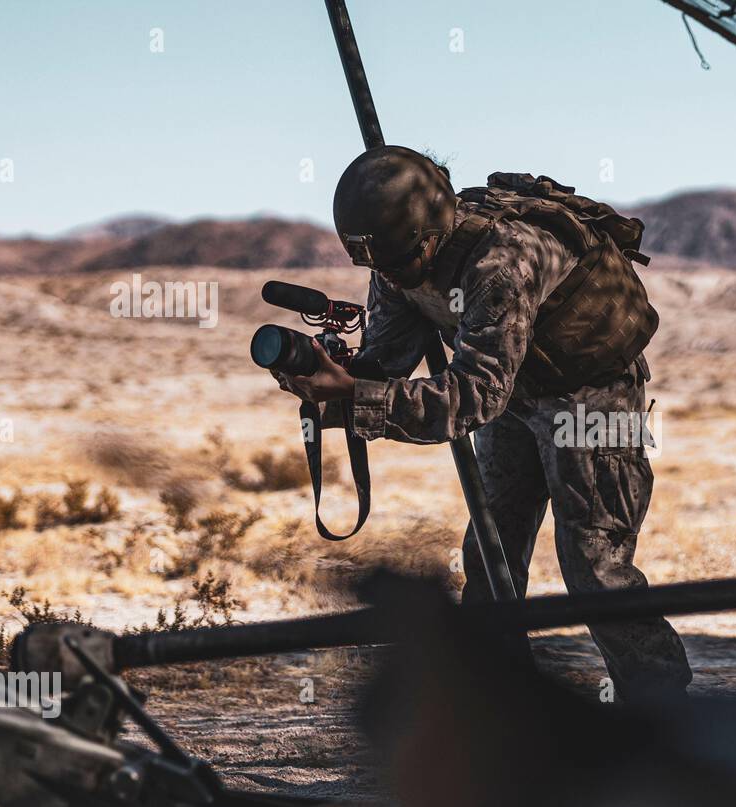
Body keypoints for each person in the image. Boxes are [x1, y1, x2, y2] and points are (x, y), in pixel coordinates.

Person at [277, 145, 691, 703]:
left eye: (396, 261)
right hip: (516, 397)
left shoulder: (504, 260)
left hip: (591, 400)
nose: (388, 276)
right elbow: (390, 359)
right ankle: (494, 704)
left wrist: (358, 395)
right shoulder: (396, 261)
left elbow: (470, 399)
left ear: (429, 235)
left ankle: (659, 711)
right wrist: (334, 382)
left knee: (596, 567)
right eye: (375, 264)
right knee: (492, 553)